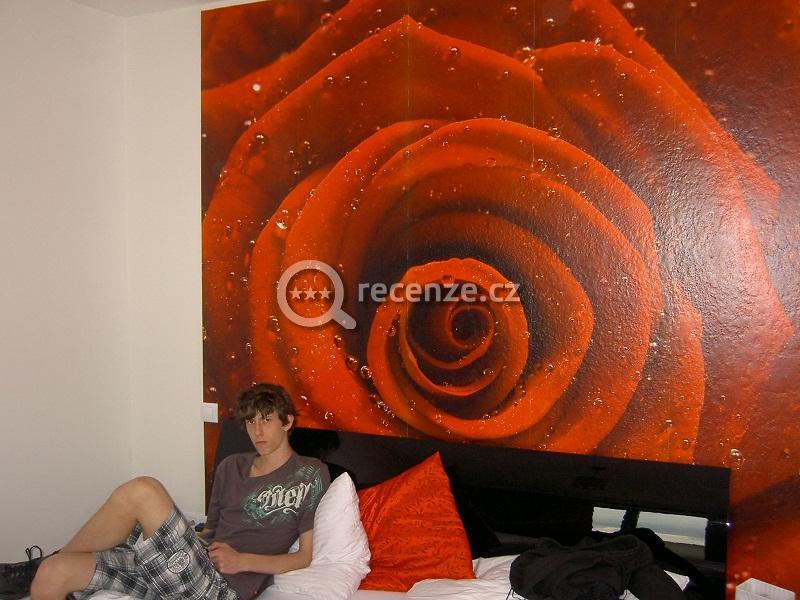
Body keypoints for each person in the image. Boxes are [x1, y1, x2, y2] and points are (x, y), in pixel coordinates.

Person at [23, 383, 330, 600]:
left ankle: (30, 567)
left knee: (144, 490)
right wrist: (186, 538)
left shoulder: (309, 473)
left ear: (287, 422)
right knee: (53, 572)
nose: (257, 431)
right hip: (186, 568)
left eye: (266, 420)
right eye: (250, 422)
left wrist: (242, 561)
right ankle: (43, 565)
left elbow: (304, 556)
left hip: (220, 589)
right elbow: (211, 530)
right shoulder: (231, 466)